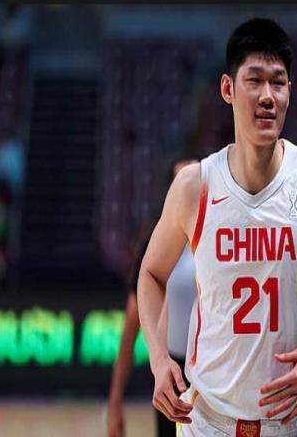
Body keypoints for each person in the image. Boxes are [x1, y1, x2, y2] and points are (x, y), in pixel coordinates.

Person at [137, 18, 297, 437]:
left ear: (290, 91)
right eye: (254, 80)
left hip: (284, 425)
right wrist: (159, 360)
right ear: (228, 89)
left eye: (278, 82)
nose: (267, 96)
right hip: (205, 423)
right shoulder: (194, 186)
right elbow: (150, 273)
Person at [107, 158, 197, 437]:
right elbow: (131, 328)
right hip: (173, 373)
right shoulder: (154, 248)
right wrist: (115, 402)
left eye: (195, 179)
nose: (189, 188)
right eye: (181, 181)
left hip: (217, 371)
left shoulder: (219, 238)